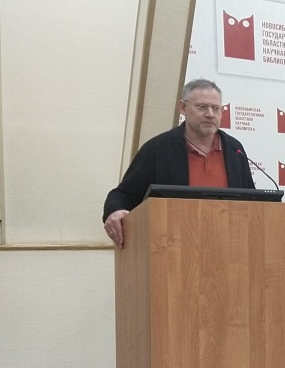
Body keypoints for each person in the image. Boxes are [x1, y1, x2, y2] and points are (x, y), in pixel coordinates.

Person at [102, 79, 255, 247]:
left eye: (216, 108)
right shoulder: (158, 149)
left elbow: (252, 200)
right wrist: (115, 211)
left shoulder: (234, 150)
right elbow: (123, 195)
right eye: (202, 107)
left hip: (228, 245)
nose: (210, 114)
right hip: (174, 246)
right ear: (183, 108)